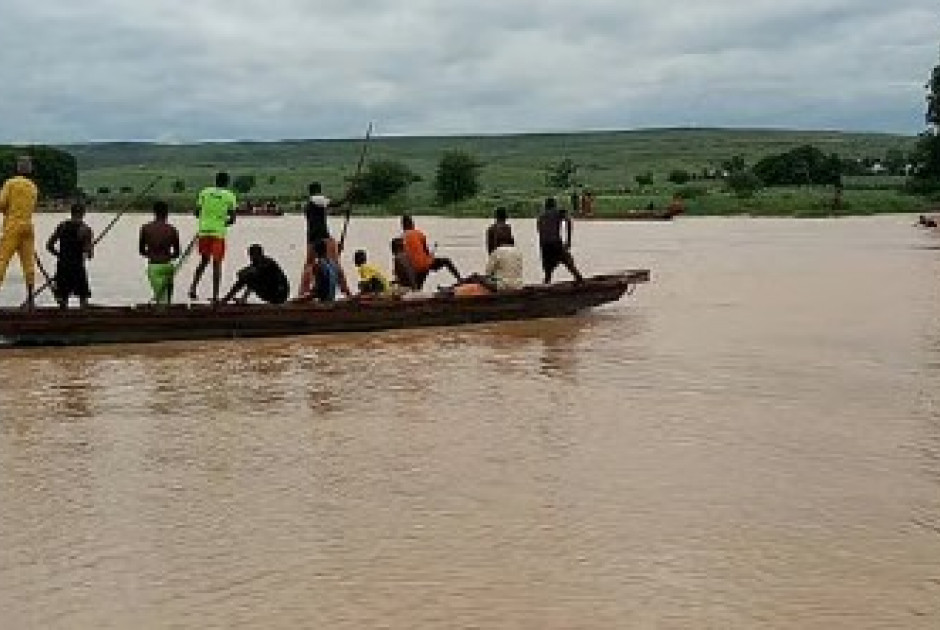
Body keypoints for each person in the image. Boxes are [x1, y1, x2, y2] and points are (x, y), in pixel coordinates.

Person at [188, 171, 237, 303]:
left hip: (203, 231)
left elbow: (196, 212)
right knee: (217, 264)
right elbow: (232, 219)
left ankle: (193, 288)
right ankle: (215, 296)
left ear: (215, 181)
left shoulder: (204, 192)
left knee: (204, 261)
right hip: (218, 233)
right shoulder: (230, 196)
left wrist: (206, 219)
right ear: (227, 182)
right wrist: (222, 222)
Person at [299, 181, 351, 298]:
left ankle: (302, 293)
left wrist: (343, 211)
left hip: (311, 238)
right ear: (318, 191)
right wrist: (347, 196)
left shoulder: (310, 204)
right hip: (322, 237)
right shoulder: (317, 199)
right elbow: (336, 203)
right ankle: (346, 292)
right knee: (335, 264)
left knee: (309, 265)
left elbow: (328, 211)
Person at [0, 156, 39, 307]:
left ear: (17, 169)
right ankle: (31, 299)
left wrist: (6, 212)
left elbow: (2, 203)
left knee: (2, 260)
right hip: (28, 227)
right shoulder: (33, 187)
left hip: (12, 226)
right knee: (28, 264)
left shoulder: (10, 183)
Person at [46, 203, 94, 309]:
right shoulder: (85, 230)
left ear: (71, 213)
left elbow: (49, 246)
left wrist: (59, 255)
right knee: (83, 299)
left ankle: (62, 320)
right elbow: (89, 254)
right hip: (77, 267)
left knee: (63, 300)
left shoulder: (62, 226)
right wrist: (88, 250)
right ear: (83, 214)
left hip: (63, 265)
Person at [401, 214, 461, 289]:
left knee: (418, 287)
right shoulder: (418, 234)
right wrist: (431, 256)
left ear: (403, 226)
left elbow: (406, 256)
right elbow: (426, 252)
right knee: (446, 261)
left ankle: (417, 294)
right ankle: (460, 279)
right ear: (412, 224)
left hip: (415, 268)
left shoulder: (402, 239)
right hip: (425, 265)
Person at [139, 200, 181, 304]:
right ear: (167, 213)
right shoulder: (172, 229)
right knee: (167, 300)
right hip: (168, 266)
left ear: (154, 212)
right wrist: (167, 256)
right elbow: (177, 253)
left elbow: (141, 250)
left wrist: (151, 254)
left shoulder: (145, 228)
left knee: (161, 300)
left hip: (154, 267)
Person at [222, 244, 290, 305]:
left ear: (257, 255)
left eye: (251, 256)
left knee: (248, 277)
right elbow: (247, 276)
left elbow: (244, 275)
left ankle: (228, 299)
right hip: (278, 293)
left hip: (279, 294)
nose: (250, 259)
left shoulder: (265, 263)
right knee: (250, 277)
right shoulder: (264, 262)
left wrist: (244, 274)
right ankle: (241, 299)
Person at [537, 196, 583, 284]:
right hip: (555, 243)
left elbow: (539, 231)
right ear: (554, 206)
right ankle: (580, 280)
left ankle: (546, 285)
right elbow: (568, 221)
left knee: (548, 271)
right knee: (569, 262)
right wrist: (568, 240)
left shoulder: (541, 216)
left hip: (544, 246)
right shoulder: (558, 212)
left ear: (545, 207)